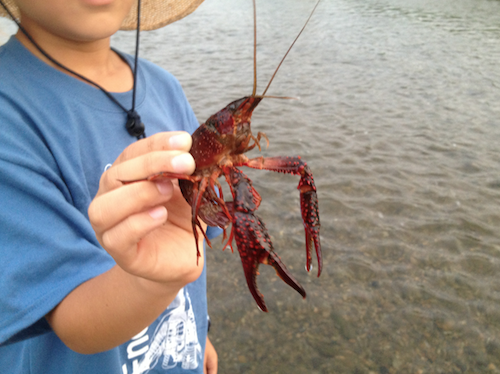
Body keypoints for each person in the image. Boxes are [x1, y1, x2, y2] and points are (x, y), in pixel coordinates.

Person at [0, 0, 220, 373]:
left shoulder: (166, 87)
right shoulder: (9, 114)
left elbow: (192, 240)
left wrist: (199, 335)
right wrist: (153, 284)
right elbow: (73, 322)